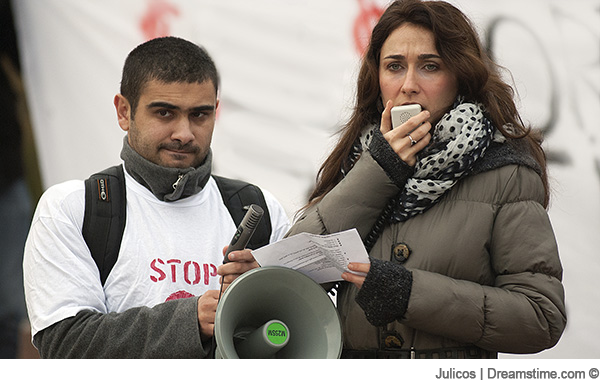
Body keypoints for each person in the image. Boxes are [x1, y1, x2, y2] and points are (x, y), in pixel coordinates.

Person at [286, 0, 566, 358]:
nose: (408, 85)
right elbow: (294, 267)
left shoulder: (505, 170)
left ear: (460, 76)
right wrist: (380, 169)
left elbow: (540, 318)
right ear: (377, 78)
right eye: (394, 67)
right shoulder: (358, 160)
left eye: (430, 67)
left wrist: (409, 294)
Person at [23, 36, 289, 358]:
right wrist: (191, 319)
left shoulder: (261, 208)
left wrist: (268, 295)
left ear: (216, 112)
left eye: (200, 115)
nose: (184, 133)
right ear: (124, 112)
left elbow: (299, 333)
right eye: (164, 113)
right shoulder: (72, 208)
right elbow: (66, 344)